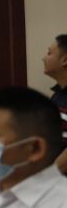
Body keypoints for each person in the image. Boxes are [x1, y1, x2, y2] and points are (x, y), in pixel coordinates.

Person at [41, 34, 67, 174]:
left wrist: (46, 177)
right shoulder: (58, 94)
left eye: (49, 53)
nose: (43, 58)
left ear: (65, 60)